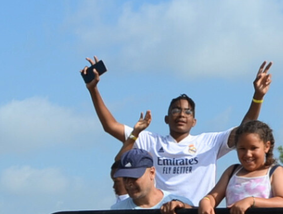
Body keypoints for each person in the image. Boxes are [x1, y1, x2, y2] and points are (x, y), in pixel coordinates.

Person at [82, 57, 272, 205]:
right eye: (176, 110)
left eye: (188, 112)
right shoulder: (150, 140)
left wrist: (257, 97)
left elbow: (245, 131)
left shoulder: (209, 142)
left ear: (194, 121)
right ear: (166, 118)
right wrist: (93, 90)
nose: (182, 114)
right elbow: (110, 126)